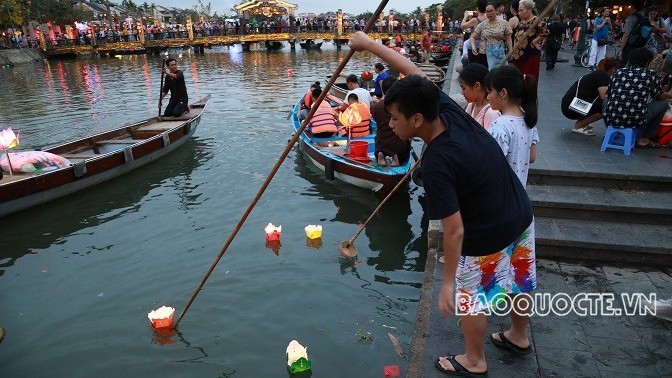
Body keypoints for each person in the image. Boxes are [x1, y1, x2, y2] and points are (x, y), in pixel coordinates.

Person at [348, 30, 536, 377]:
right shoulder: (447, 108)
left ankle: (475, 361)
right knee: (519, 279)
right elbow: (412, 71)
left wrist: (448, 281)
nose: (390, 124)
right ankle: (518, 335)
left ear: (416, 120)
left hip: (485, 234)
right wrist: (368, 43)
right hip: (521, 213)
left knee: (474, 297)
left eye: (394, 118)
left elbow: (454, 229)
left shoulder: (436, 161)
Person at [604, 48, 672, 148]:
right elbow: (660, 97)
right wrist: (669, 95)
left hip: (611, 118)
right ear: (647, 61)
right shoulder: (650, 74)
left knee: (606, 99)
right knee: (663, 104)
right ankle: (644, 138)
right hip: (636, 119)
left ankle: (612, 132)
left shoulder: (618, 73)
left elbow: (608, 95)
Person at [486, 65, 539, 187]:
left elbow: (492, 165)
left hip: (501, 194)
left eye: (489, 92)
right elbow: (532, 157)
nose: (487, 97)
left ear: (503, 93)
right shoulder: (528, 120)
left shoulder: (500, 126)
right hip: (520, 192)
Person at [561, 57, 619, 136]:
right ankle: (578, 126)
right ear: (613, 68)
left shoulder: (597, 74)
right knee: (605, 108)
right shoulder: (603, 75)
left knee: (599, 104)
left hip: (569, 104)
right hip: (572, 105)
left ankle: (581, 123)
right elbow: (604, 96)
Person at [371, 77, 410, 166]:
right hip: (399, 142)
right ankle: (396, 156)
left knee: (379, 135)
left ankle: (381, 154)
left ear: (382, 89)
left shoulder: (375, 107)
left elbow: (378, 123)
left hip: (382, 142)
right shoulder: (401, 106)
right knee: (403, 141)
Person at [511, 0, 548, 82]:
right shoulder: (522, 22)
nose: (519, 13)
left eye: (522, 10)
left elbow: (545, 32)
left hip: (530, 56)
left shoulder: (536, 20)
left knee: (529, 81)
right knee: (519, 81)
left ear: (529, 9)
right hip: (518, 57)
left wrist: (535, 41)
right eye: (518, 11)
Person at [469, 2, 513, 70]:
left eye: (491, 11)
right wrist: (473, 47)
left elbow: (508, 38)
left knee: (501, 73)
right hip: (485, 55)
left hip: (500, 53)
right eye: (487, 12)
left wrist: (510, 50)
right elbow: (472, 36)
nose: (489, 13)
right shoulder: (482, 24)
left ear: (496, 11)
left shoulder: (504, 23)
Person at [459, 63, 500, 130]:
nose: (462, 93)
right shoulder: (471, 106)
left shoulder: (491, 113)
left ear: (477, 86)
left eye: (464, 88)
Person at [619, 0, 648, 67]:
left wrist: (621, 50)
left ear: (633, 7)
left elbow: (626, 34)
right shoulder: (645, 17)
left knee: (622, 63)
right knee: (634, 64)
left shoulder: (631, 18)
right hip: (641, 44)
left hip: (630, 45)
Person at [461, 1, 489, 68]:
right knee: (485, 67)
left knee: (474, 68)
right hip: (486, 46)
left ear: (477, 8)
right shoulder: (488, 19)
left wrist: (465, 16)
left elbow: (462, 26)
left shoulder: (475, 20)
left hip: (475, 47)